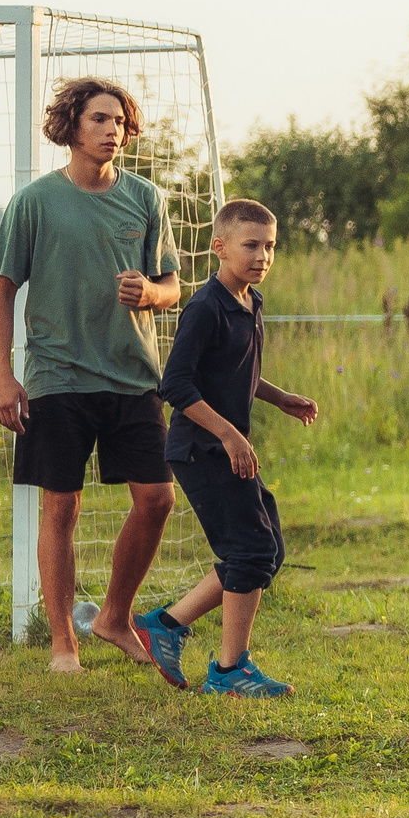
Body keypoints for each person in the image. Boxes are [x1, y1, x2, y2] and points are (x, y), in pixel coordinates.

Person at [0, 78, 181, 673]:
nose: (111, 131)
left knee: (157, 499)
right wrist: (3, 377)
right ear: (71, 126)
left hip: (133, 375)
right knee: (61, 506)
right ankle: (63, 644)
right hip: (57, 375)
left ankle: (114, 617)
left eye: (119, 122)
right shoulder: (34, 202)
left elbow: (172, 286)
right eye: (99, 119)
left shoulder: (146, 198)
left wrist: (150, 293)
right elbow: (1, 292)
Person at [137, 199, 317, 697]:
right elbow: (176, 385)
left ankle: (166, 625)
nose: (262, 256)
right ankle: (229, 670)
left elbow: (236, 371)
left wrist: (280, 398)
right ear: (219, 247)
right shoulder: (205, 307)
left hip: (224, 447)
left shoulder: (250, 302)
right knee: (251, 551)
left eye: (270, 247)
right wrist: (229, 434)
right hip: (201, 448)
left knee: (267, 550)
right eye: (251, 245)